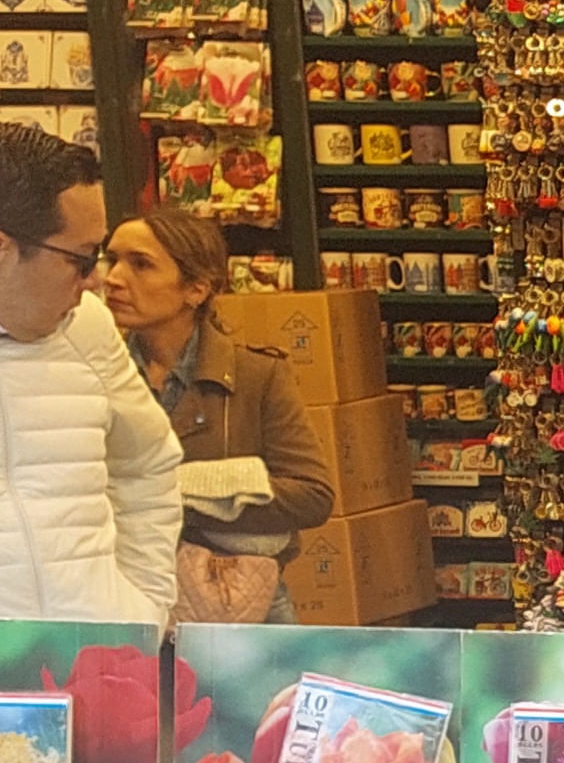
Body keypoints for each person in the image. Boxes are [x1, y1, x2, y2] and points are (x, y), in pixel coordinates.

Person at [102, 207, 331, 622]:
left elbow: (312, 496)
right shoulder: (97, 375)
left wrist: (180, 496)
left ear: (196, 289)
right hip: (130, 598)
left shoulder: (257, 374)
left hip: (238, 602)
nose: (114, 278)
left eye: (141, 264)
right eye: (110, 259)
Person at [0, 125, 178, 623]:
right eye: (81, 260)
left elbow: (148, 464)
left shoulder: (88, 328)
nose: (97, 280)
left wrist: (142, 610)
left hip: (93, 662)